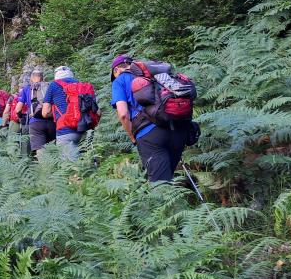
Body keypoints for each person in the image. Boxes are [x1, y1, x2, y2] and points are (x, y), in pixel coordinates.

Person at [110, 54, 187, 183]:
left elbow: (123, 114)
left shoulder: (119, 81)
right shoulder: (152, 75)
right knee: (167, 180)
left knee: (160, 185)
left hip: (149, 135)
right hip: (176, 128)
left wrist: (132, 137)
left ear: (116, 70)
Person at [42, 66, 98, 160]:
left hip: (65, 130)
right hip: (86, 128)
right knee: (89, 164)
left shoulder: (53, 85)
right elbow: (97, 110)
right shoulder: (82, 86)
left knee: (71, 169)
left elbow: (45, 112)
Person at [16, 69, 55, 156]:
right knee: (52, 147)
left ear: (32, 77)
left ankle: (44, 168)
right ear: (42, 77)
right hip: (51, 120)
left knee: (40, 149)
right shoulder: (50, 87)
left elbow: (18, 109)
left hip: (35, 122)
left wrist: (21, 117)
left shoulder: (26, 89)